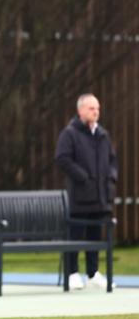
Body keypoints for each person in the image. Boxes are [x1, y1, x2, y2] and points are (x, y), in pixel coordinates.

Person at [55, 93, 118, 290]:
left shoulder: (103, 135)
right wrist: (82, 177)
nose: (96, 112)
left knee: (94, 234)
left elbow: (112, 160)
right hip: (79, 196)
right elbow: (62, 158)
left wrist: (111, 178)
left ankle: (93, 273)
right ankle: (72, 273)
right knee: (75, 234)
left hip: (100, 196)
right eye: (92, 108)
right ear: (81, 110)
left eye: (97, 108)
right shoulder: (70, 133)